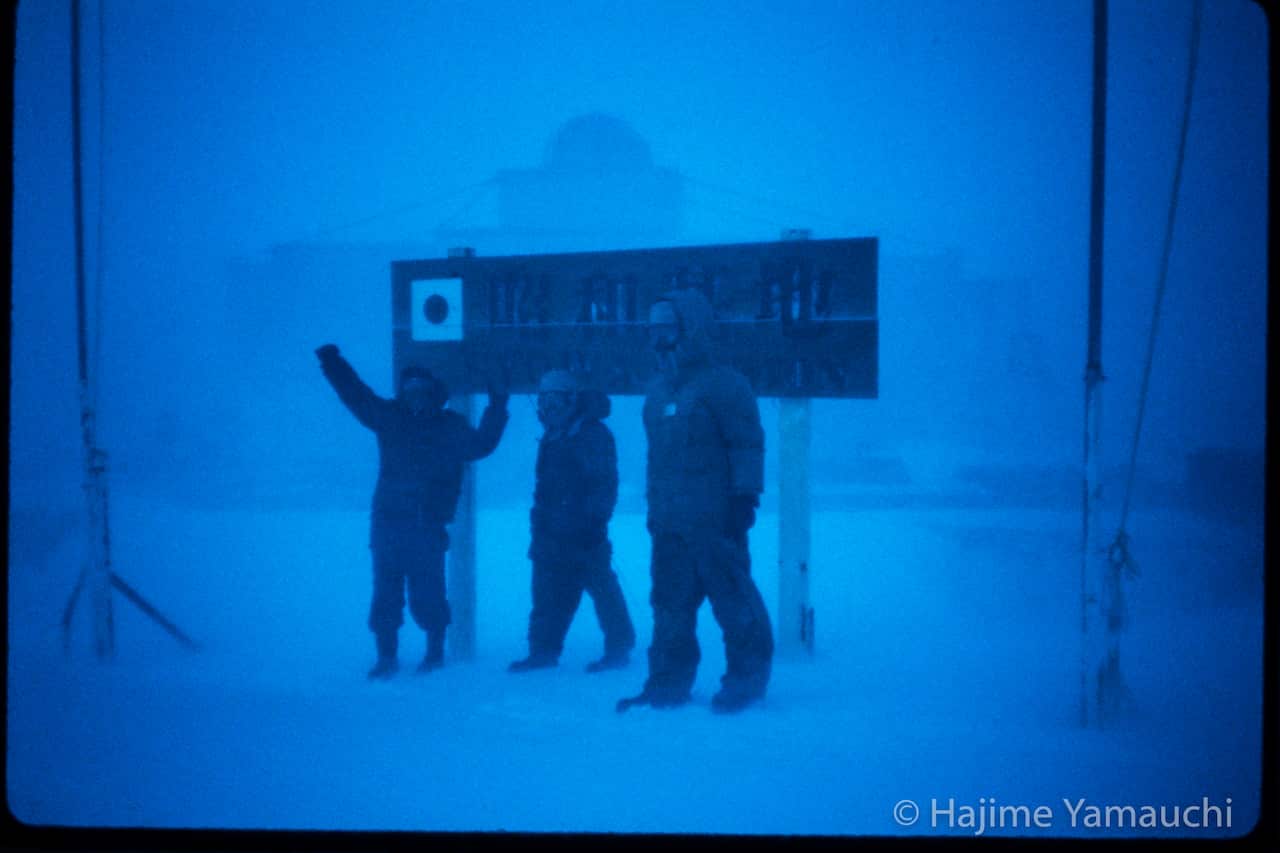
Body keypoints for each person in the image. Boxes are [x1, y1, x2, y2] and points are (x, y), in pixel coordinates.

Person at [617, 288, 774, 714]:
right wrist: (654, 508)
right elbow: (657, 459)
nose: (659, 337)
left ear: (693, 328)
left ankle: (745, 682)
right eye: (654, 329)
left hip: (715, 518)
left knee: (734, 602)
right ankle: (667, 682)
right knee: (669, 606)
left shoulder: (724, 384)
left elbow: (747, 444)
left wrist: (744, 499)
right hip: (669, 522)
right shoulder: (657, 391)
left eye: (668, 328)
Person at [315, 344, 508, 679]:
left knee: (428, 594)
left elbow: (481, 445)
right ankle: (386, 656)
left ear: (434, 391)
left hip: (427, 524)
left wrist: (497, 407)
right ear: (403, 391)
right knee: (385, 594)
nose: (416, 394)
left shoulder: (450, 425)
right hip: (387, 524)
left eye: (422, 387)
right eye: (410, 387)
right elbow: (355, 395)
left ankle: (434, 653)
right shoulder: (389, 418)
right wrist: (333, 364)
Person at [509, 369, 636, 673]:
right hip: (549, 532)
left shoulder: (592, 434)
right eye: (545, 400)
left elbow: (605, 483)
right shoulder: (553, 435)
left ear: (571, 400)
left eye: (556, 400)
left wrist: (593, 522)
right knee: (546, 594)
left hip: (584, 532)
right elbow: (545, 487)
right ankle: (542, 651)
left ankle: (619, 647)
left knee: (602, 590)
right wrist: (540, 522)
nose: (550, 407)